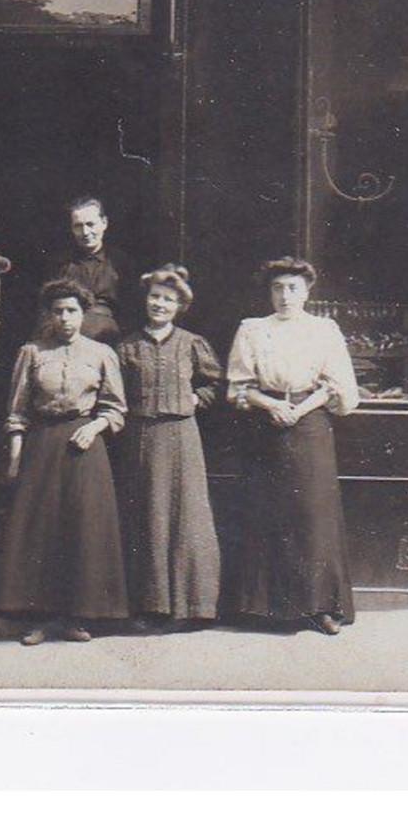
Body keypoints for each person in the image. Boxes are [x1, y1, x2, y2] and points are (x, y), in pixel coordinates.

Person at [0, 279, 129, 645]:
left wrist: (94, 427)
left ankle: (76, 617)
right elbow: (17, 409)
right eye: (58, 311)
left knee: (82, 529)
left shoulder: (101, 354)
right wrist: (16, 452)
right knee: (39, 531)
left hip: (83, 444)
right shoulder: (32, 352)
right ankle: (37, 619)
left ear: (84, 314)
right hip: (42, 444)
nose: (65, 318)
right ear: (49, 314)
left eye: (72, 311)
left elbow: (116, 408)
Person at [226, 257, 361, 635]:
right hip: (265, 425)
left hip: (310, 424)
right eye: (277, 288)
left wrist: (299, 409)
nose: (285, 296)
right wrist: (272, 405)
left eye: (293, 288)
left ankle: (321, 608)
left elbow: (336, 385)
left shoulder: (324, 330)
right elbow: (239, 387)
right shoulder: (252, 330)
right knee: (267, 512)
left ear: (307, 291)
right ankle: (265, 608)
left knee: (314, 515)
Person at [116, 265, 224, 630]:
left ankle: (191, 607)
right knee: (148, 517)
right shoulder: (128, 346)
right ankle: (149, 607)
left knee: (186, 518)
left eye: (168, 299)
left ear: (180, 306)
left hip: (182, 437)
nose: (160, 304)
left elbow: (214, 382)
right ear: (146, 300)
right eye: (155, 297)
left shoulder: (191, 344)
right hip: (141, 437)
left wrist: (197, 398)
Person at [48, 195, 137, 345]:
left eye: (90, 224)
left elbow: (132, 312)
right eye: (78, 226)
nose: (85, 232)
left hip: (110, 341)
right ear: (71, 228)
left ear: (104, 223)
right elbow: (47, 311)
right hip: (67, 341)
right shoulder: (61, 264)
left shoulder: (121, 263)